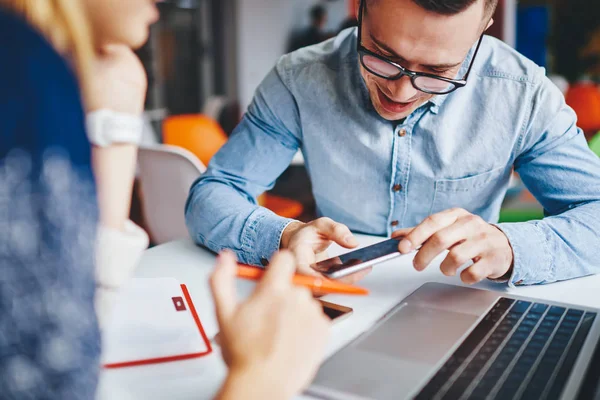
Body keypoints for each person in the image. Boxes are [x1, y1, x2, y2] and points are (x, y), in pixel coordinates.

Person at [0, 2, 329, 399]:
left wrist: (116, 116)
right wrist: (260, 381)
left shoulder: (53, 74)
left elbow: (75, 310)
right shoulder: (21, 69)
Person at [186, 0, 600, 287]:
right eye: (382, 56)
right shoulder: (298, 80)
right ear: (359, 8)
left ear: (480, 30)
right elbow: (213, 195)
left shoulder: (523, 94)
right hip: (339, 295)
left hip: (463, 298)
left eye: (438, 71)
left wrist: (512, 246)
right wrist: (283, 235)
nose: (400, 92)